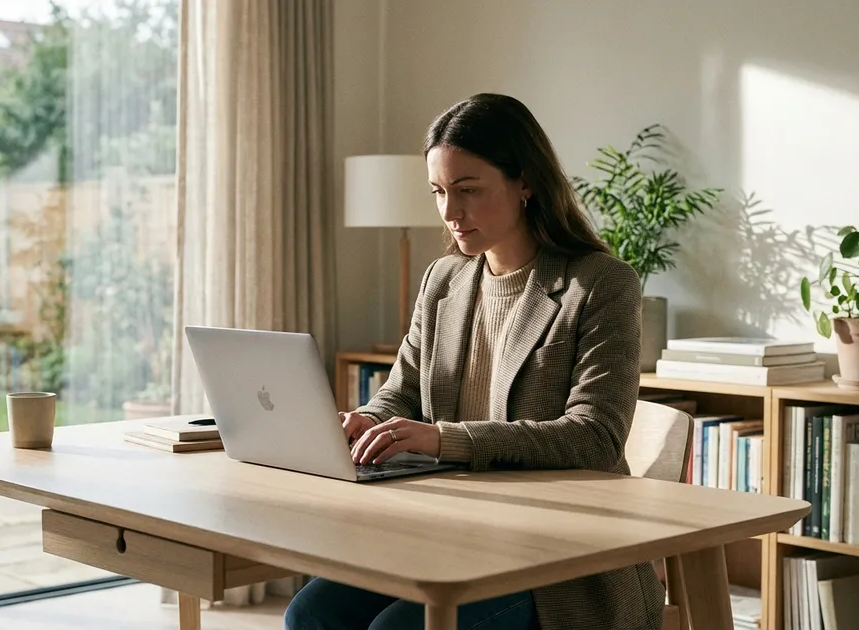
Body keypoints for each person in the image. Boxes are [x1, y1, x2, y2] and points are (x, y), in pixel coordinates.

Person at [284, 93, 665, 630]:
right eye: (439, 191)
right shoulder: (444, 279)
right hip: (447, 533)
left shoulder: (600, 284)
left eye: (469, 190)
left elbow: (595, 437)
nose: (450, 212)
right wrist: (372, 419)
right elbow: (404, 391)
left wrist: (443, 438)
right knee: (309, 613)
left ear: (526, 182)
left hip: (554, 559)